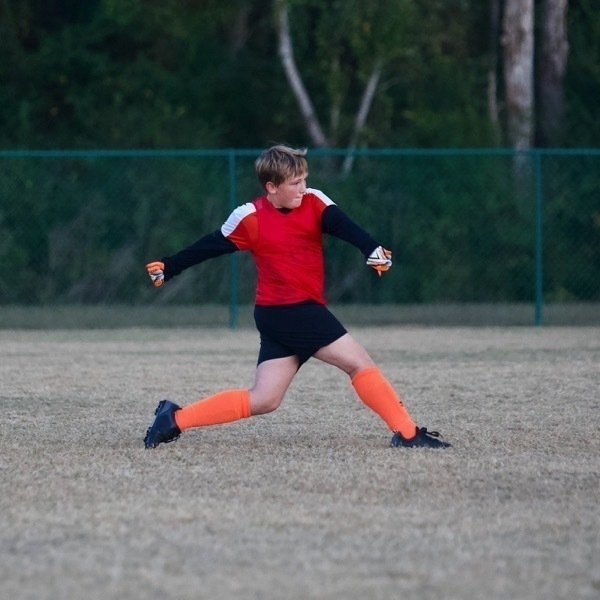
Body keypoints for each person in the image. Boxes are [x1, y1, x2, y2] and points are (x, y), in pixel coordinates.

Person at [142, 144, 450, 449]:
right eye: (295, 183)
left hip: (286, 313)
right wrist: (169, 267)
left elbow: (347, 228)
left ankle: (174, 420)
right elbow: (207, 246)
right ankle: (408, 434)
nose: (303, 188)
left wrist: (372, 249)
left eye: (304, 179)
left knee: (264, 399)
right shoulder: (250, 217)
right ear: (271, 187)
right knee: (359, 364)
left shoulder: (314, 201)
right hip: (290, 311)